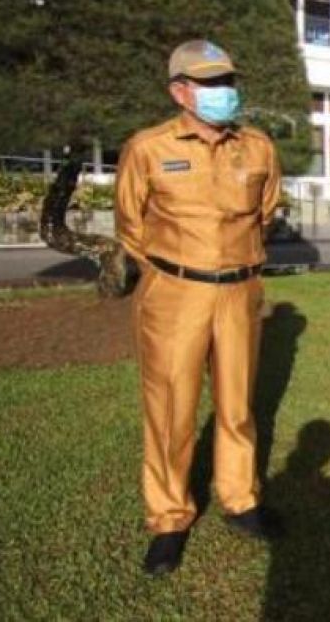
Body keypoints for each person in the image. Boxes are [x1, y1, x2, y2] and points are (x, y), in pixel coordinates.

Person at [115, 40, 283, 576]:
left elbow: (266, 214)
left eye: (227, 81)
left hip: (240, 292)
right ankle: (169, 518)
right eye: (210, 83)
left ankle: (240, 498)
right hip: (175, 294)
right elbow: (131, 227)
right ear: (179, 91)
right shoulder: (146, 148)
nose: (223, 92)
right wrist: (183, 267)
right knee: (171, 409)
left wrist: (232, 264)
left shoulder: (257, 148)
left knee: (237, 405)